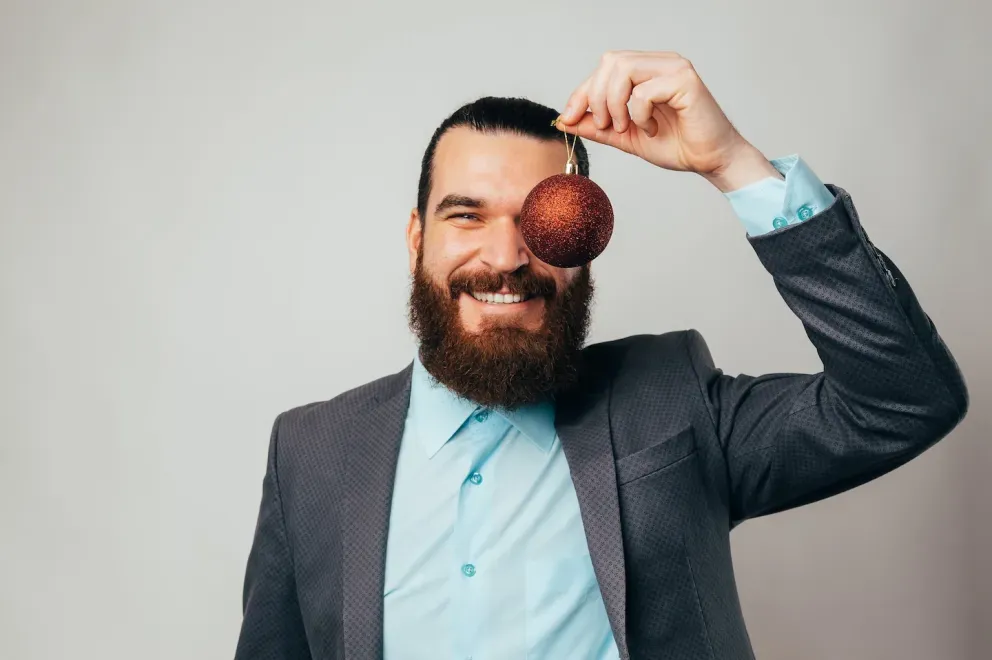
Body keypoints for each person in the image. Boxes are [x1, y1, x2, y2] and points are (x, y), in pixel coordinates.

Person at [234, 50, 969, 660]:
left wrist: (733, 165)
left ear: (582, 246)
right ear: (416, 239)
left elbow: (904, 399)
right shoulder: (310, 451)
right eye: (467, 216)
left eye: (540, 223)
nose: (506, 258)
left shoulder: (673, 401)